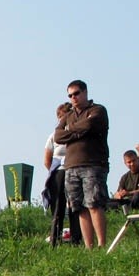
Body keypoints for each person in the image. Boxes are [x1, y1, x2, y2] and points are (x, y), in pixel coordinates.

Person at [54, 80, 110, 249]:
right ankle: (89, 246)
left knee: (94, 204)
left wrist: (70, 131)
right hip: (71, 166)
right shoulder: (67, 116)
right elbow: (58, 136)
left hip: (93, 164)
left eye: (76, 93)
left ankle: (101, 244)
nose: (73, 97)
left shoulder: (97, 110)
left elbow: (90, 124)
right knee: (79, 208)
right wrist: (78, 131)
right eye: (70, 95)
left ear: (85, 92)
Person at [43, 103, 81, 246]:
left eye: (65, 114)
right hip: (59, 172)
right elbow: (47, 159)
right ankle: (55, 238)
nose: (62, 118)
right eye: (60, 116)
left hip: (74, 171)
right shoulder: (53, 136)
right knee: (58, 206)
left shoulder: (76, 133)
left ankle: (76, 239)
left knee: (74, 205)